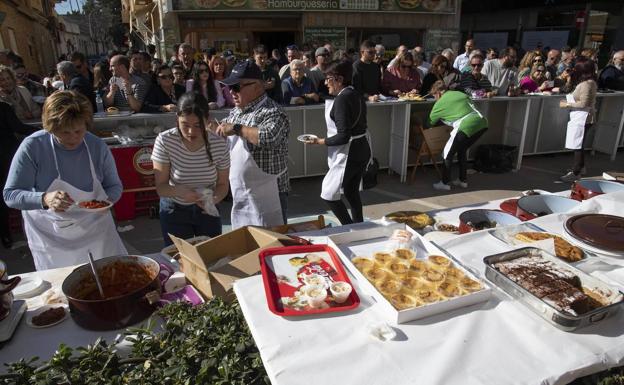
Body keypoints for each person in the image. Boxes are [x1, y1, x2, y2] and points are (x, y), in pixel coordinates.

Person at [3, 91, 126, 270]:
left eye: (79, 131)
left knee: (110, 278)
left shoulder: (97, 146)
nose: (73, 138)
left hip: (97, 233)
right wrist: (44, 199)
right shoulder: (33, 146)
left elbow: (114, 186)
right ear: (50, 128)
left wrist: (106, 202)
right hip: (51, 238)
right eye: (64, 132)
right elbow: (10, 195)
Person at [215, 60, 290, 228]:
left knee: (274, 243)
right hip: (241, 192)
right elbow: (223, 130)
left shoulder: (273, 111)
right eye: (229, 87)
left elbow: (269, 137)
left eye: (237, 87)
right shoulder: (236, 110)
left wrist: (236, 128)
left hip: (271, 195)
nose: (231, 92)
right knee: (246, 244)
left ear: (257, 86)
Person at [151, 93, 229, 246]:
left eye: (198, 125)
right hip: (174, 209)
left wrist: (212, 200)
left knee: (210, 255)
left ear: (207, 120)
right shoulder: (165, 140)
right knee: (179, 259)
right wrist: (180, 192)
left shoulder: (218, 145)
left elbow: (223, 185)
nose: (191, 132)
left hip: (207, 209)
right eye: (185, 125)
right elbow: (161, 187)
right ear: (177, 119)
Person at [303, 60, 371, 225]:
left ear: (339, 79)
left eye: (329, 79)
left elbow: (343, 136)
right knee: (351, 191)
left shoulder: (342, 99)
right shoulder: (355, 93)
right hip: (363, 149)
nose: (326, 83)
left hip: (350, 153)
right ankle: (359, 225)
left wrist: (319, 141)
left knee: (328, 194)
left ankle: (349, 228)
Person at [428, 81, 488, 190]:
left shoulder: (439, 103)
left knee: (447, 153)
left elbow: (429, 123)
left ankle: (445, 183)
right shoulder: (459, 93)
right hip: (482, 123)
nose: (435, 98)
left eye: (434, 96)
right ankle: (462, 180)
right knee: (462, 150)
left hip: (465, 125)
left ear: (438, 93)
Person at [0, 102, 36, 249]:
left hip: (5, 156)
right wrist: (42, 130)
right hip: (6, 157)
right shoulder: (3, 107)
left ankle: (5, 236)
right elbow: (19, 127)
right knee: (11, 194)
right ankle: (9, 236)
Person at [559, 58, 597, 182]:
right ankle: (581, 167)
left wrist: (567, 105)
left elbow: (584, 103)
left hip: (583, 118)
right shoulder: (589, 82)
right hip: (584, 117)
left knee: (577, 145)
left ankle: (576, 172)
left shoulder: (587, 84)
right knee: (579, 144)